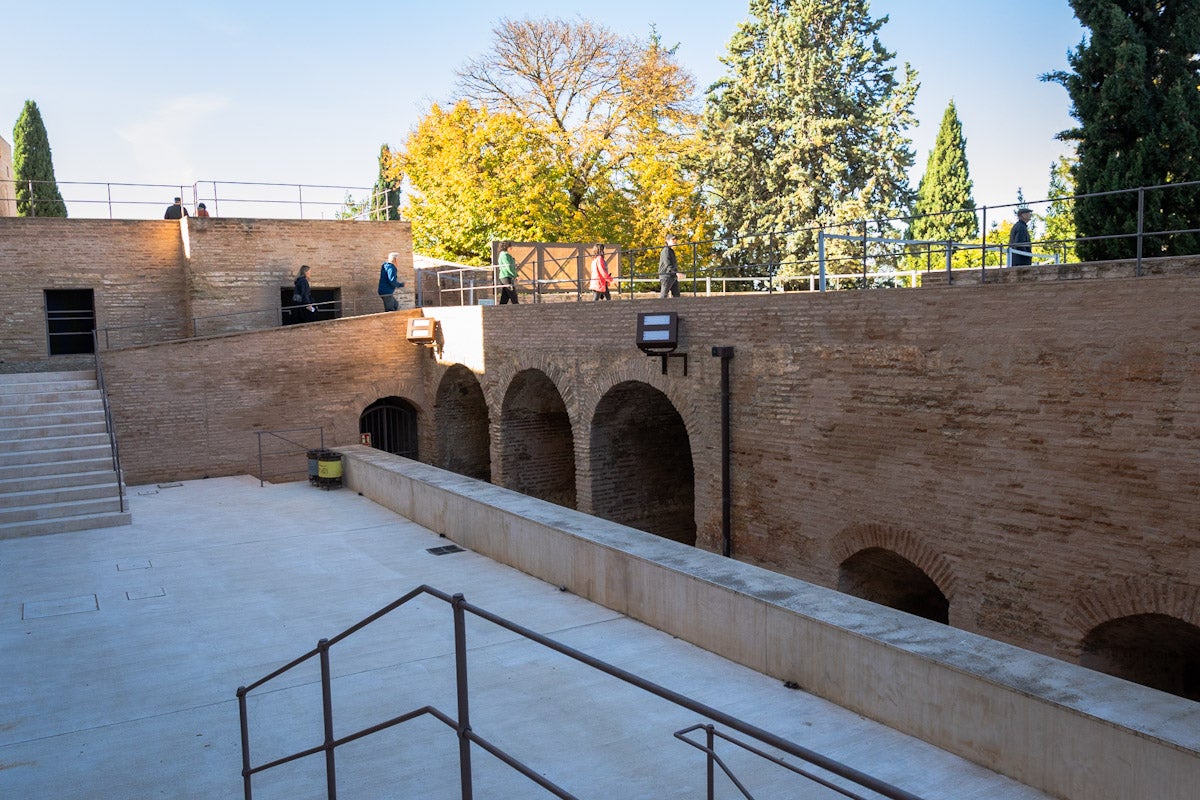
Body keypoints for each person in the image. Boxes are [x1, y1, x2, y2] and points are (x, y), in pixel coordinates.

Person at [658, 233, 680, 298]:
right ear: (667, 241)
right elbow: (668, 264)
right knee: (664, 295)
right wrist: (676, 273)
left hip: (672, 275)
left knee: (676, 295)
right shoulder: (666, 251)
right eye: (673, 239)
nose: (675, 241)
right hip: (666, 275)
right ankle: (658, 307)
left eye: (675, 239)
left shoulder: (671, 251)